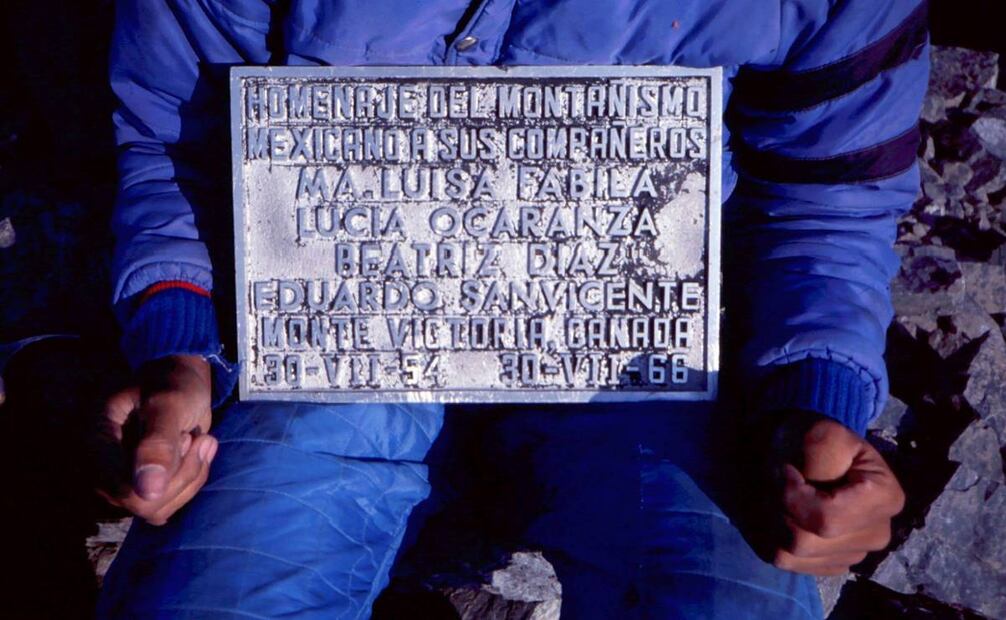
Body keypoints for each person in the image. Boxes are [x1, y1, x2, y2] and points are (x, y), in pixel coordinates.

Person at [95, 0, 927, 617]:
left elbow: (828, 202)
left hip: (633, 361)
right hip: (335, 336)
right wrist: (181, 347)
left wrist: (809, 402)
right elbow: (179, 145)